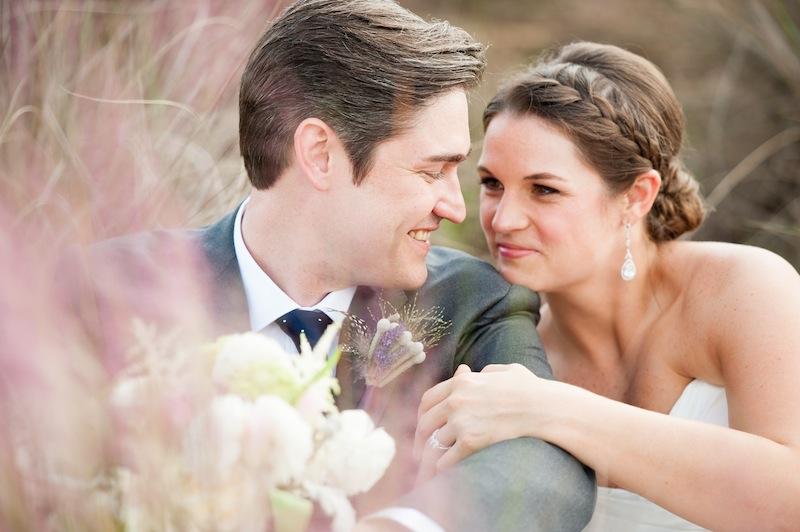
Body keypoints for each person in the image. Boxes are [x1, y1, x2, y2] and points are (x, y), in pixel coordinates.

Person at [83, 2, 596, 531]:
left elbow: (544, 463)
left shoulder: (472, 304)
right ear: (321, 154)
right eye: (430, 171)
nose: (455, 207)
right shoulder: (103, 293)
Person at [415, 41, 800, 531]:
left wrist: (549, 407)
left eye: (545, 190)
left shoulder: (742, 290)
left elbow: (791, 497)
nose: (503, 218)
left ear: (637, 196)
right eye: (492, 184)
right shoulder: (507, 346)